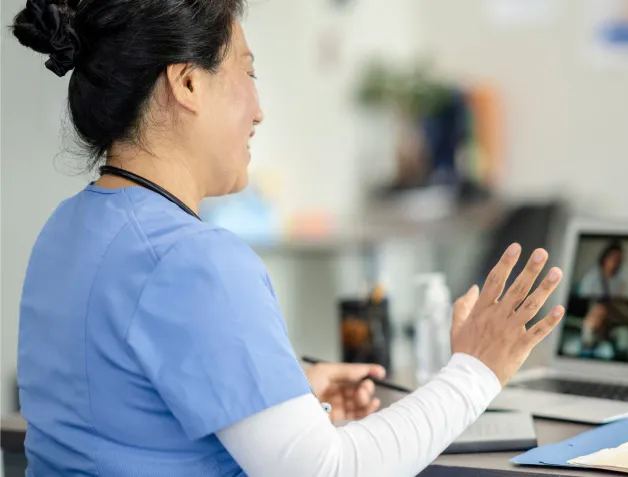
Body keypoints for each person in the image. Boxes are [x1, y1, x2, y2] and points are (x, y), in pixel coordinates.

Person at [10, 1, 565, 476]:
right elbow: (328, 471)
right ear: (187, 84)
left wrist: (282, 398)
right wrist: (476, 370)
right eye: (247, 74)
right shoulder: (194, 259)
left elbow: (122, 413)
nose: (258, 110)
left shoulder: (66, 230)